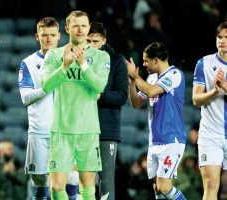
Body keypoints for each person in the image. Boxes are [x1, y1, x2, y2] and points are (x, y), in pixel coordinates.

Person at [41, 10, 110, 200]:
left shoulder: (100, 57)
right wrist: (64, 66)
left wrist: (83, 65)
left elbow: (99, 85)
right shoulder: (54, 56)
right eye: (75, 25)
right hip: (61, 129)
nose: (80, 29)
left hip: (88, 130)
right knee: (56, 188)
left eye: (84, 25)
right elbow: (46, 86)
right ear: (67, 28)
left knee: (87, 187)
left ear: (88, 29)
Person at [18, 17, 79, 200]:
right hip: (39, 133)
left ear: (59, 35)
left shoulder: (73, 60)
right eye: (44, 35)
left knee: (71, 184)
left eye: (53, 35)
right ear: (37, 36)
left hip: (67, 132)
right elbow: (25, 98)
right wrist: (47, 87)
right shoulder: (28, 63)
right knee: (40, 188)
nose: (49, 39)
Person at [127, 42, 187, 200]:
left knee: (165, 187)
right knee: (157, 189)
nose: (144, 64)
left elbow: (152, 91)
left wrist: (135, 76)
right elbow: (136, 103)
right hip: (154, 141)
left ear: (156, 60)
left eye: (147, 60)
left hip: (171, 139)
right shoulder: (152, 78)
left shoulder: (175, 75)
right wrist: (132, 83)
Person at [87, 21, 128, 200]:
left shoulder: (117, 60)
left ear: (104, 40)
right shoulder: (76, 58)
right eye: (87, 41)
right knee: (82, 180)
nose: (90, 46)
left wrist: (100, 97)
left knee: (106, 182)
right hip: (81, 127)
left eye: (95, 41)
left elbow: (121, 96)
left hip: (106, 129)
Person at [192, 21, 227, 200]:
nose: (222, 41)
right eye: (219, 37)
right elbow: (196, 100)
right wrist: (214, 90)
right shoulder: (204, 63)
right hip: (210, 134)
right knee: (211, 185)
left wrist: (224, 86)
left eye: (226, 37)